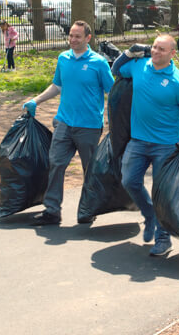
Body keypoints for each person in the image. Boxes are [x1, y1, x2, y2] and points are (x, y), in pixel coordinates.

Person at [111, 34, 179, 257]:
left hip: (165, 145)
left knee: (162, 193)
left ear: (172, 53)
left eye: (161, 49)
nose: (155, 52)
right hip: (138, 140)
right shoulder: (139, 66)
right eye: (154, 47)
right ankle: (149, 213)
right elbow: (116, 69)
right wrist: (129, 52)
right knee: (129, 180)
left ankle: (163, 238)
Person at [23, 21, 114, 226]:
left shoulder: (99, 63)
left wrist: (116, 119)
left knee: (89, 169)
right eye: (71, 36)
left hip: (89, 125)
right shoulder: (63, 58)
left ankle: (89, 208)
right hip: (64, 122)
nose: (73, 40)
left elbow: (112, 91)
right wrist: (35, 100)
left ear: (88, 38)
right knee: (55, 163)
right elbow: (57, 85)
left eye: (77, 37)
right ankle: (52, 211)